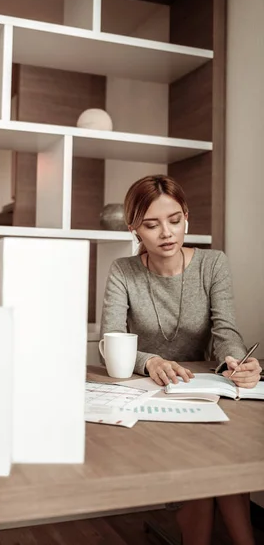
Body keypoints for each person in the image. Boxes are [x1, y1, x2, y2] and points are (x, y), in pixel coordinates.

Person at [100, 175, 262, 545]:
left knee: (224, 463)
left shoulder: (212, 264)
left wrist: (237, 361)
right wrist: (151, 361)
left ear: (186, 216)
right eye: (151, 225)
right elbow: (109, 343)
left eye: (174, 220)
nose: (167, 233)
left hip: (203, 390)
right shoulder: (123, 271)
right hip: (147, 396)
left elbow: (225, 330)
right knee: (211, 476)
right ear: (134, 229)